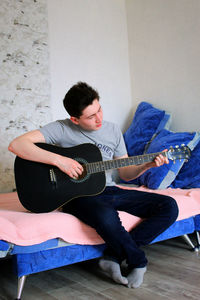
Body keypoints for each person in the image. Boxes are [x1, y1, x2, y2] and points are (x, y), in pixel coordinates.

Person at [8, 82, 179, 288]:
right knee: (106, 216)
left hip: (109, 189)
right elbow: (17, 145)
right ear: (75, 119)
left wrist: (147, 166)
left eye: (99, 110)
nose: (99, 119)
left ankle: (112, 256)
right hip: (77, 196)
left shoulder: (113, 131)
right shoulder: (61, 128)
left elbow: (125, 173)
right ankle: (138, 261)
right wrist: (60, 161)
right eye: (90, 116)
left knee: (169, 206)